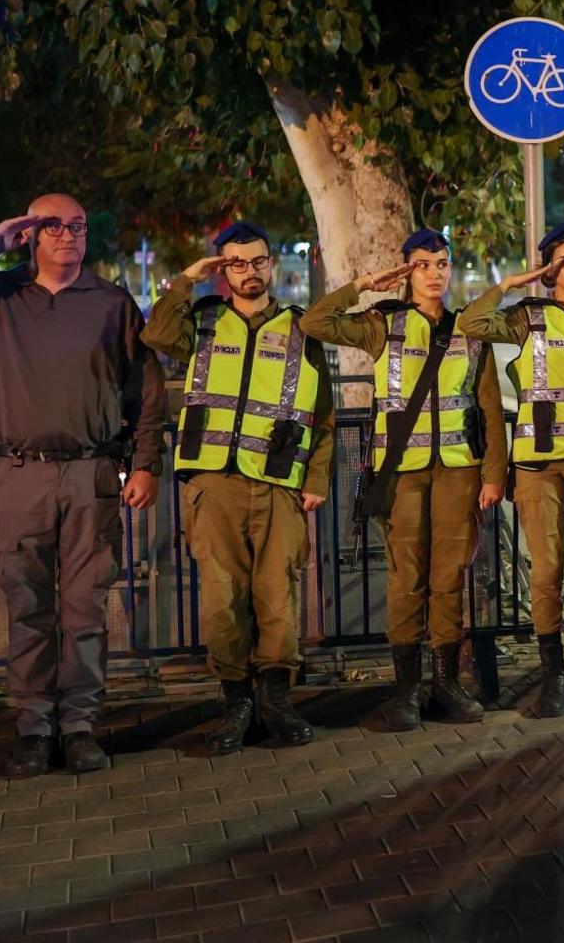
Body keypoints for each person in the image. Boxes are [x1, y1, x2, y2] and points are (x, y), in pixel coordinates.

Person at [0, 196, 165, 778]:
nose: (68, 235)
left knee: (85, 608)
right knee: (27, 606)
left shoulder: (112, 303)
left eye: (76, 226)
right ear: (30, 234)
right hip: (17, 473)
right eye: (52, 226)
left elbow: (146, 390)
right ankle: (33, 727)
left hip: (91, 473)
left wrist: (145, 463)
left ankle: (79, 726)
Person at [302, 229, 508, 729]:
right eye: (423, 264)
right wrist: (369, 283)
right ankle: (406, 692)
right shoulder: (382, 324)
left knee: (448, 580)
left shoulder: (469, 329)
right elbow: (315, 321)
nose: (435, 273)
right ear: (406, 270)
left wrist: (493, 474)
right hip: (401, 476)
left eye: (442, 263)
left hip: (459, 473)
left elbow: (490, 408)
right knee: (405, 581)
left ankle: (445, 684)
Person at [142, 221, 333, 753]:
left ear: (271, 263)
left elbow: (325, 414)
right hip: (214, 484)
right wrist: (186, 279)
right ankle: (236, 704)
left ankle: (275, 701)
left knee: (278, 598)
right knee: (223, 601)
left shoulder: (303, 327)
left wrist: (316, 478)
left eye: (257, 261)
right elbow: (156, 335)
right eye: (236, 263)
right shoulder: (201, 321)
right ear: (222, 269)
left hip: (279, 486)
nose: (249, 272)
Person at [456, 221, 564, 717]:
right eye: (563, 262)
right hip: (537, 461)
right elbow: (470, 324)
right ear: (548, 270)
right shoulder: (526, 317)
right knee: (548, 570)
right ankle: (552, 678)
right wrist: (514, 283)